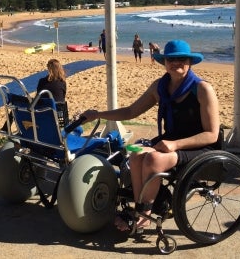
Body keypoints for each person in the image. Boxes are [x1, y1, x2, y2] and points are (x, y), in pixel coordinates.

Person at [80, 40, 221, 230]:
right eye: (170, 59)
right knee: (136, 154)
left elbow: (212, 135)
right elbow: (130, 112)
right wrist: (98, 115)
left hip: (200, 146)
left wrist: (175, 145)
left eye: (181, 59)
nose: (175, 62)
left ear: (190, 62)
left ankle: (144, 215)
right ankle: (140, 209)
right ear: (164, 62)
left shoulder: (202, 89)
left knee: (153, 160)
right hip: (171, 141)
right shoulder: (160, 87)